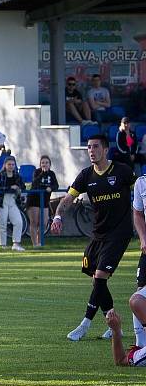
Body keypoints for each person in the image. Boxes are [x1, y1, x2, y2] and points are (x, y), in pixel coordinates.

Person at [52, 134, 136, 342]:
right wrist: (57, 215)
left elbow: (141, 190)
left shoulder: (122, 171)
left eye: (95, 147)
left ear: (105, 150)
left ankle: (84, 325)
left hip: (119, 233)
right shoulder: (86, 175)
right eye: (89, 147)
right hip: (98, 234)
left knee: (99, 278)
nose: (91, 150)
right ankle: (113, 322)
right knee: (96, 282)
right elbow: (68, 199)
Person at [0, 156, 25, 252]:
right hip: (1, 201)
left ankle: (16, 244)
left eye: (13, 164)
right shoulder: (1, 175)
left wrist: (18, 188)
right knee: (2, 224)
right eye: (9, 164)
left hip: (13, 200)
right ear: (5, 165)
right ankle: (3, 245)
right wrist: (12, 187)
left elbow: (23, 186)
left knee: (18, 222)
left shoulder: (17, 175)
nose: (11, 166)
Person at [128, 173, 146, 347]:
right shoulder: (142, 182)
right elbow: (138, 214)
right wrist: (143, 239)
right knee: (140, 292)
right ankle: (140, 345)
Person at [26, 156, 58, 248]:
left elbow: (56, 185)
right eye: (43, 162)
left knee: (44, 223)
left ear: (50, 164)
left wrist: (51, 188)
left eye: (47, 162)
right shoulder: (37, 172)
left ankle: (40, 242)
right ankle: (35, 244)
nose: (45, 164)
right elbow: (35, 183)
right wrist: (42, 174)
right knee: (34, 222)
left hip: (45, 201)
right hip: (34, 200)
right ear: (40, 164)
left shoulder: (52, 174)